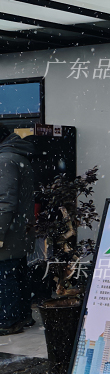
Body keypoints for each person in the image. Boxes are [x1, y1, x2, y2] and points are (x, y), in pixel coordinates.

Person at [0, 125, 35, 336]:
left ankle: (8, 320)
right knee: (17, 272)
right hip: (20, 229)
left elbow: (5, 203)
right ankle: (23, 316)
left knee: (5, 275)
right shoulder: (17, 156)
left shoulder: (4, 160)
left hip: (9, 230)